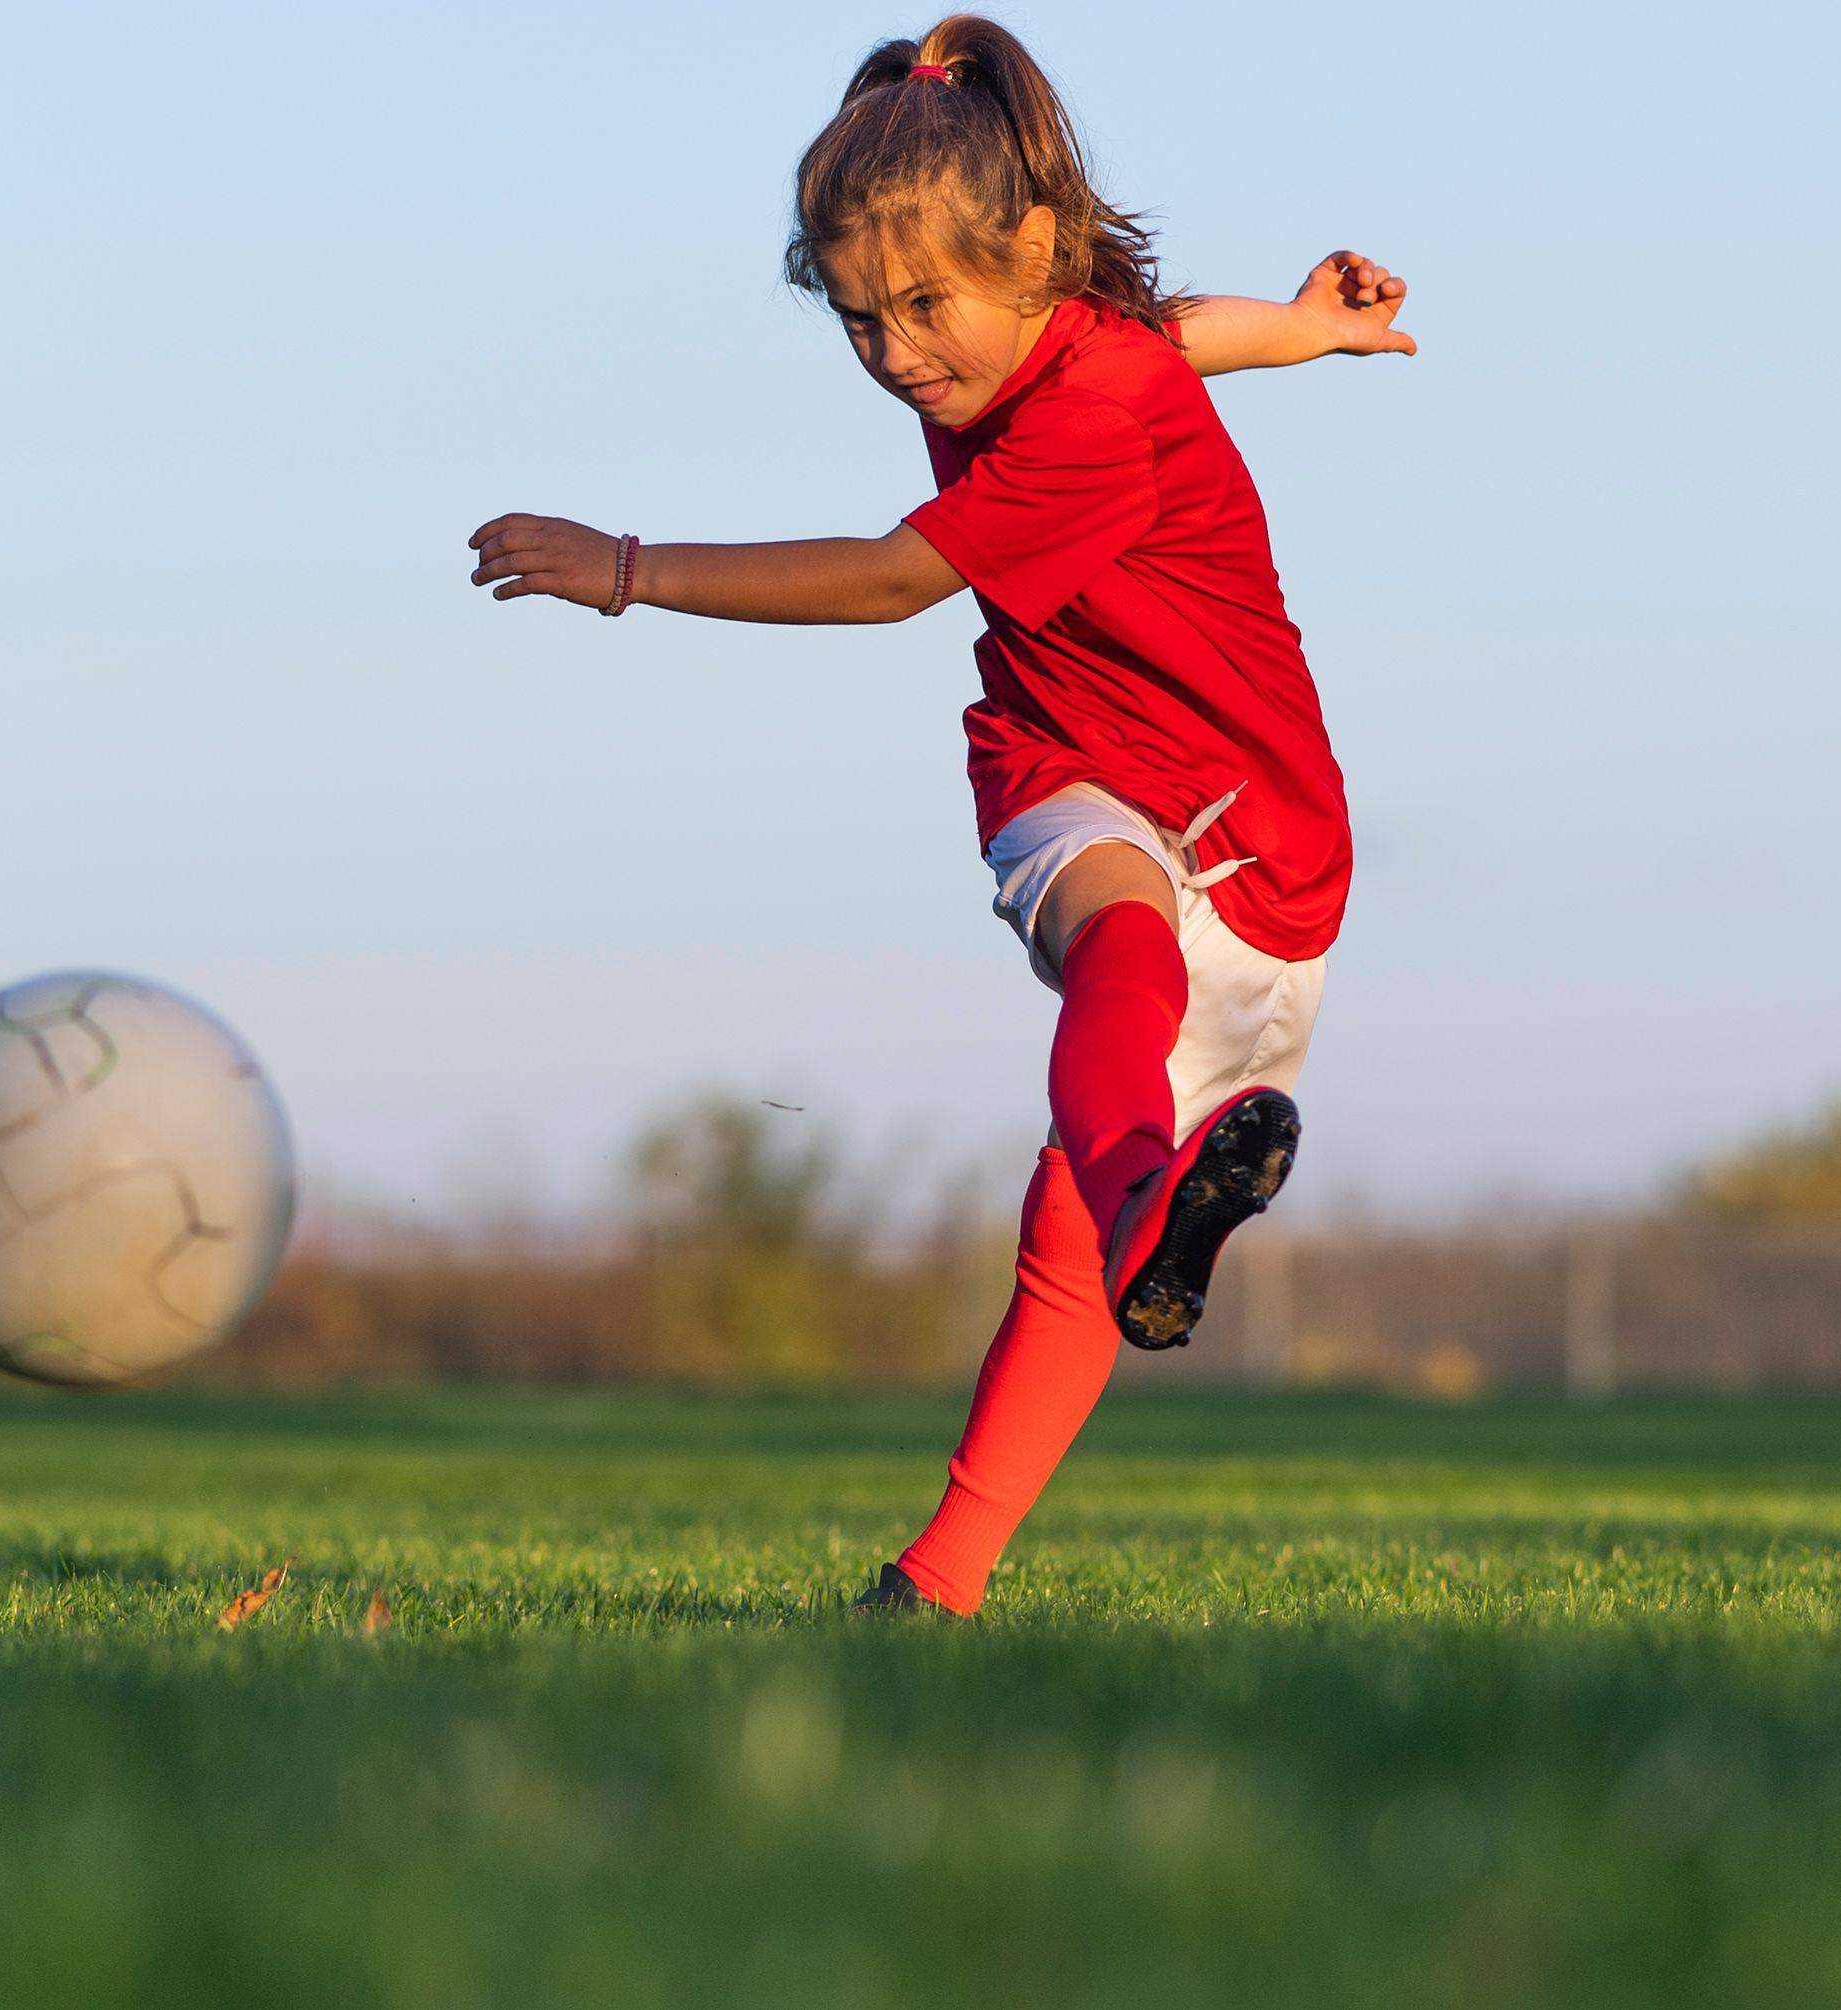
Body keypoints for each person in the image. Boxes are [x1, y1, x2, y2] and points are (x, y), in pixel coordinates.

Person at [468, 13, 1412, 1616]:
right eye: (858, 322)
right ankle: (1135, 1228)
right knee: (1118, 948)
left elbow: (896, 581)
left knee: (1066, 1265)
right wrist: (1306, 329)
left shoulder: (1085, 412)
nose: (901, 354)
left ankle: (954, 1550)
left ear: (1034, 252)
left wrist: (629, 570)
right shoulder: (1058, 336)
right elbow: (1179, 329)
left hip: (1263, 839)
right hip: (1068, 760)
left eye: (922, 307)